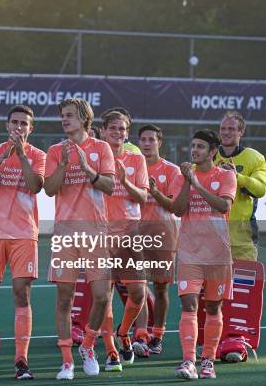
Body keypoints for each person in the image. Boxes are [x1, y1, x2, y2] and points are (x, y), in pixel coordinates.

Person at [0, 105, 45, 379]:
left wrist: (22, 155)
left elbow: (36, 185)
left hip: (25, 234)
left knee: (21, 296)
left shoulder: (38, 155)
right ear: (6, 126)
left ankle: (21, 360)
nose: (19, 127)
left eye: (24, 124)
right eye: (14, 122)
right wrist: (5, 154)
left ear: (31, 128)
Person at [44, 98, 115, 380]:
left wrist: (89, 171)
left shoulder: (101, 148)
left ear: (85, 119)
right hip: (65, 234)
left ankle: (87, 346)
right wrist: (62, 164)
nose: (65, 120)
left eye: (70, 115)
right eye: (63, 115)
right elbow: (49, 189)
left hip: (96, 233)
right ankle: (66, 361)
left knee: (102, 296)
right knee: (65, 299)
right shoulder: (54, 150)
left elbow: (110, 185)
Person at [170, 129, 237, 380]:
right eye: (193, 146)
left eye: (200, 147)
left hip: (218, 255)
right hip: (189, 253)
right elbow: (177, 210)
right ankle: (189, 361)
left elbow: (223, 206)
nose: (194, 150)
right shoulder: (182, 176)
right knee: (188, 304)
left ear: (213, 152)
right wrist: (188, 181)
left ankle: (208, 360)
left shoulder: (227, 175)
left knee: (212, 307)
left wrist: (198, 183)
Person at [213, 111, 266, 362]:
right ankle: (214, 341)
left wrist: (236, 176)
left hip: (243, 237)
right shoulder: (209, 155)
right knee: (213, 291)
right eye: (223, 129)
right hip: (211, 238)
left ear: (240, 132)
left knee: (241, 292)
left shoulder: (253, 157)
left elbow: (261, 188)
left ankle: (237, 342)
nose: (226, 133)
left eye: (231, 129)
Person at [101, 110, 149, 369]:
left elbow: (142, 197)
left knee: (139, 293)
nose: (118, 133)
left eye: (122, 129)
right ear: (103, 131)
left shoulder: (136, 159)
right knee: (104, 296)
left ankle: (123, 333)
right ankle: (110, 350)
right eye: (113, 128)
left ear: (127, 133)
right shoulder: (96, 158)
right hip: (101, 234)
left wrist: (125, 181)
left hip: (131, 232)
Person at [134, 124, 182, 356]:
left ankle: (158, 335)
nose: (146, 143)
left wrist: (154, 193)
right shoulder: (132, 167)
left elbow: (174, 205)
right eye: (143, 139)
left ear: (159, 142)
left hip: (163, 236)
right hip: (135, 236)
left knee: (161, 289)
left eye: (151, 139)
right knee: (139, 288)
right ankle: (141, 334)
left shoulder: (172, 171)